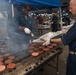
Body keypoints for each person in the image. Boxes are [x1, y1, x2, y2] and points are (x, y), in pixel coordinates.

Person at [42, 0, 76, 75]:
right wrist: (68, 32)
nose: (69, 10)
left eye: (71, 8)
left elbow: (63, 41)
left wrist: (50, 40)